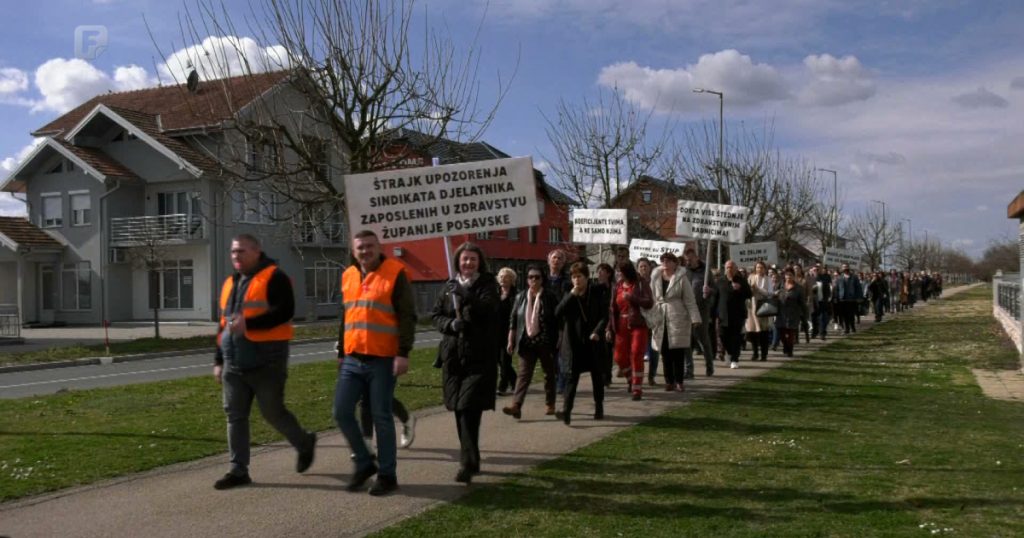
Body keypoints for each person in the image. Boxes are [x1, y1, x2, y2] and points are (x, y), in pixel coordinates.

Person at [212, 234, 316, 490]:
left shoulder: (274, 277)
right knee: (234, 415)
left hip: (267, 362)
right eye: (233, 251)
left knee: (272, 412)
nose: (236, 256)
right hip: (233, 364)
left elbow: (285, 311)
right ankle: (238, 470)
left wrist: (251, 324)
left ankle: (304, 443)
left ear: (257, 251)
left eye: (242, 251)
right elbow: (224, 324)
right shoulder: (230, 283)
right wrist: (218, 359)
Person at [335, 230, 416, 496]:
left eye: (370, 246)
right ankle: (364, 461)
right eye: (360, 247)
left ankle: (387, 475)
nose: (365, 251)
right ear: (353, 249)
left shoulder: (395, 272)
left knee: (381, 416)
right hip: (352, 358)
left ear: (379, 247)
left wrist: (403, 352)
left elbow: (407, 316)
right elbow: (346, 316)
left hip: (383, 359)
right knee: (341, 412)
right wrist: (341, 352)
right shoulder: (348, 275)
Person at [431, 242, 500, 484]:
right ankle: (472, 457)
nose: (468, 263)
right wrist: (450, 325)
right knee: (459, 409)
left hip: (479, 356)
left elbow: (489, 309)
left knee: (469, 407)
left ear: (479, 261)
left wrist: (465, 294)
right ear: (457, 261)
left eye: (473, 259)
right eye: (464, 259)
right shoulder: (449, 285)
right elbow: (436, 315)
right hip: (453, 357)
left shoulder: (488, 284)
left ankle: (466, 463)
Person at [554, 262, 609, 424]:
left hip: (593, 342)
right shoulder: (568, 293)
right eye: (573, 277)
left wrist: (597, 332)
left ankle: (599, 407)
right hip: (574, 342)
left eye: (579, 276)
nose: (576, 280)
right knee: (571, 377)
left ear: (586, 277)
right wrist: (571, 295)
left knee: (597, 376)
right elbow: (557, 313)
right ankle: (566, 411)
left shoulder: (597, 292)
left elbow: (604, 316)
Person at [504, 264, 559, 419]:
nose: (533, 280)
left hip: (546, 342)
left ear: (542, 279)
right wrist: (510, 340)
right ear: (526, 280)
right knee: (523, 375)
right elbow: (513, 320)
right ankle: (516, 405)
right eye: (530, 277)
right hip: (526, 342)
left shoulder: (550, 296)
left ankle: (550, 403)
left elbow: (558, 319)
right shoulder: (520, 297)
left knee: (549, 374)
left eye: (537, 277)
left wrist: (559, 338)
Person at [649, 252, 702, 392]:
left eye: (668, 260)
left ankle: (679, 381)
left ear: (675, 263)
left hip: (677, 316)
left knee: (678, 351)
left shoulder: (681, 278)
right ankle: (669, 381)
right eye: (663, 260)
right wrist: (649, 317)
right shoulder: (655, 277)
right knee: (665, 351)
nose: (665, 263)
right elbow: (651, 298)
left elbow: (690, 300)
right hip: (660, 316)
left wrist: (695, 318)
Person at [605, 260, 654, 400]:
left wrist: (632, 298)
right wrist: (609, 328)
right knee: (619, 357)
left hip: (638, 324)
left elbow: (649, 302)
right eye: (617, 271)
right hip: (621, 324)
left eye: (620, 271)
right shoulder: (618, 286)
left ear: (626, 272)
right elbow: (612, 309)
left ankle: (637, 389)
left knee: (636, 354)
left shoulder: (640, 283)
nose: (618, 274)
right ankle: (631, 379)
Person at [708, 260, 752, 369]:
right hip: (723, 315)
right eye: (727, 267)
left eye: (731, 267)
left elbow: (749, 294)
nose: (729, 269)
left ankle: (735, 359)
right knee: (723, 336)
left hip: (737, 314)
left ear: (736, 269)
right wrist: (711, 313)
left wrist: (740, 289)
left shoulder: (742, 280)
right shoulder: (720, 281)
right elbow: (715, 298)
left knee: (736, 338)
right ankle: (730, 352)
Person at [683, 247, 715, 377]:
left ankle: (709, 366)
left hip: (701, 309)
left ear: (696, 257)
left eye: (690, 259)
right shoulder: (684, 272)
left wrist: (709, 291)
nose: (688, 262)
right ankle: (689, 370)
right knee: (687, 340)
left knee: (703, 339)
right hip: (686, 310)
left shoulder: (706, 272)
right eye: (686, 260)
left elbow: (715, 288)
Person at [545, 249, 573, 395]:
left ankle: (562, 382)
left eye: (560, 258)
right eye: (554, 257)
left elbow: (567, 303)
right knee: (550, 355)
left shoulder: (567, 282)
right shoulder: (542, 279)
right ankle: (555, 379)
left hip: (562, 322)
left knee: (562, 354)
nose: (556, 260)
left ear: (563, 262)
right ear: (549, 260)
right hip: (546, 322)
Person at [636, 257, 660, 386]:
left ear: (650, 268)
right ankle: (637, 376)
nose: (643, 269)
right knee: (638, 350)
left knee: (654, 349)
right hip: (639, 320)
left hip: (653, 319)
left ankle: (652, 376)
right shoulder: (635, 283)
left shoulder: (655, 282)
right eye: (641, 266)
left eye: (645, 266)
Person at [774, 269, 807, 357]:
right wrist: (775, 295)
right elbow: (773, 296)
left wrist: (804, 314)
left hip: (793, 313)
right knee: (781, 332)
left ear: (793, 276)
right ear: (784, 276)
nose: (788, 277)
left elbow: (802, 303)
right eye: (787, 275)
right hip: (781, 313)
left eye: (790, 275)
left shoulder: (799, 288)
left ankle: (790, 350)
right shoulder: (779, 286)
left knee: (791, 333)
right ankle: (785, 345)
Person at [496, 267, 519, 395]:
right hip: (495, 332)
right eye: (501, 276)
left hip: (509, 331)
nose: (503, 278)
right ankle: (515, 380)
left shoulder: (516, 296)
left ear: (512, 279)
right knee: (498, 360)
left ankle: (502, 386)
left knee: (505, 360)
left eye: (506, 276)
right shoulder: (494, 293)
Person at [746, 261, 774, 362]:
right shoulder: (751, 277)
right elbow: (747, 291)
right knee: (752, 331)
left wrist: (758, 288)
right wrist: (751, 289)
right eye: (758, 267)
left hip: (763, 306)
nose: (759, 269)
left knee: (763, 332)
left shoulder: (768, 279)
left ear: (765, 269)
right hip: (752, 306)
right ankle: (755, 353)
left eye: (761, 267)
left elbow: (770, 293)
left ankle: (764, 354)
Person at [592, 263, 616, 386]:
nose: (599, 273)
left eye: (602, 271)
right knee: (599, 352)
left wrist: (609, 326)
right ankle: (601, 375)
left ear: (608, 273)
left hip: (610, 323)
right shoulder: (595, 289)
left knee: (607, 351)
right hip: (598, 324)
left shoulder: (613, 288)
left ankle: (607, 376)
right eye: (598, 271)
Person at [834, 263, 862, 335]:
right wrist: (836, 297)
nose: (845, 269)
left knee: (851, 314)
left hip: (852, 299)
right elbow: (837, 289)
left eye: (846, 267)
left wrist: (859, 297)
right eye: (843, 267)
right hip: (842, 299)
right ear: (842, 269)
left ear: (849, 268)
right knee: (844, 315)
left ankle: (852, 326)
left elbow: (858, 288)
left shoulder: (854, 277)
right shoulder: (839, 278)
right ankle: (846, 328)